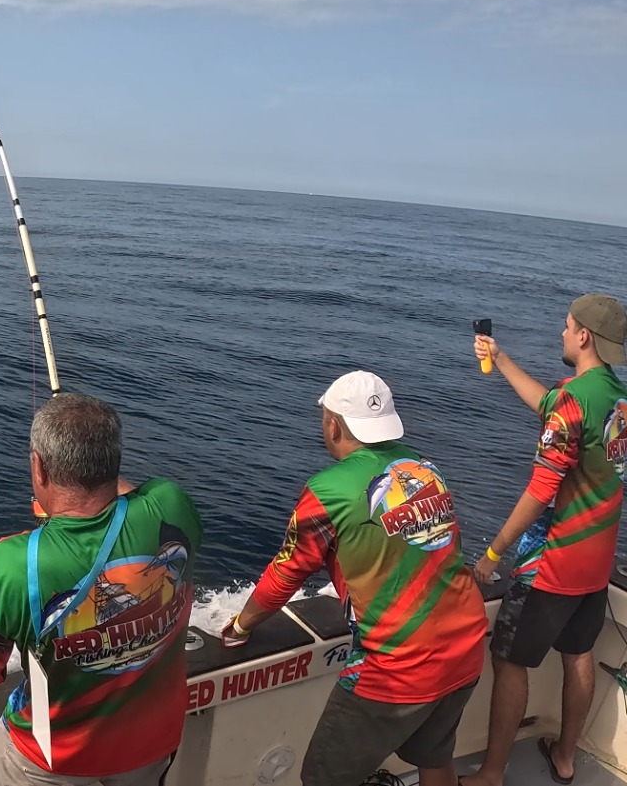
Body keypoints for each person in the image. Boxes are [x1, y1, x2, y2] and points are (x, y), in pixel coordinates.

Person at [222, 371, 487, 786]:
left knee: (322, 777)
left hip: (399, 665)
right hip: (466, 645)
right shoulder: (426, 469)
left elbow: (285, 572)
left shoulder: (326, 491)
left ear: (333, 425)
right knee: (434, 758)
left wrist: (241, 626)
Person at [0, 393, 202, 786]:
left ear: (38, 468)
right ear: (113, 460)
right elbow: (131, 498)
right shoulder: (173, 506)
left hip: (52, 760)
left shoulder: (11, 564)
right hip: (152, 743)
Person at [463, 294, 627, 786]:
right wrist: (503, 357)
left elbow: (541, 488)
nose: (561, 332)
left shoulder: (574, 403)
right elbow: (548, 403)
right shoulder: (614, 398)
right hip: (596, 563)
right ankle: (565, 757)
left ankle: (492, 772)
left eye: (566, 326)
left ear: (583, 337)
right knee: (578, 655)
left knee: (510, 658)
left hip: (552, 562)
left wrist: (492, 556)